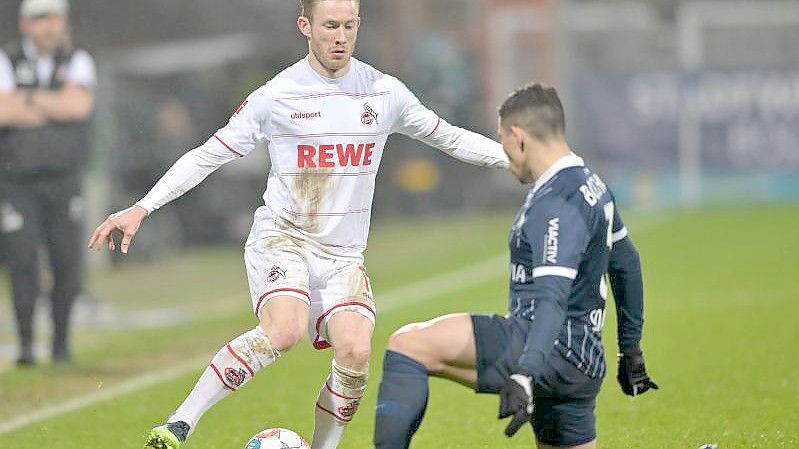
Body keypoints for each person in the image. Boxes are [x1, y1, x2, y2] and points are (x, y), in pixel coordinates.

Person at [87, 1, 508, 448]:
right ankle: (179, 425)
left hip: (343, 255)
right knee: (284, 330)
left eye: (348, 26)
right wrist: (143, 207)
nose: (340, 36)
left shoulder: (383, 93)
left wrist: (521, 161)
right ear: (306, 26)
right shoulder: (278, 95)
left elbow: (449, 135)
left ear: (358, 26)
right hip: (283, 237)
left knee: (356, 351)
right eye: (330, 26)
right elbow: (208, 154)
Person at [372, 83, 658, 449]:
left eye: (503, 140)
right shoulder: (591, 183)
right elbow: (627, 265)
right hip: (582, 363)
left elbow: (551, 299)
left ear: (519, 137)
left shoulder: (554, 202)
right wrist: (630, 349)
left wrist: (525, 371)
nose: (504, 154)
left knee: (408, 344)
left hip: (542, 349)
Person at [0, 0, 96, 366]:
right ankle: (26, 345)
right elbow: (3, 111)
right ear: (26, 24)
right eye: (41, 19)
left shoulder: (77, 60)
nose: (49, 26)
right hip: (16, 180)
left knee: (65, 260)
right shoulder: (6, 59)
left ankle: (61, 344)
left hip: (63, 178)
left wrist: (26, 100)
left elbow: (79, 108)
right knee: (21, 259)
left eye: (54, 18)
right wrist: (53, 103)